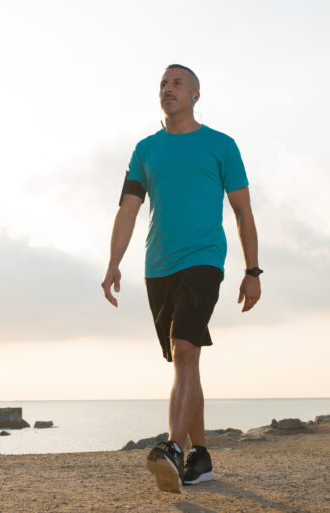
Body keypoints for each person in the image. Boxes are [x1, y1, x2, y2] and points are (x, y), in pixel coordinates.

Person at [101, 64, 262, 494]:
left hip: (204, 260)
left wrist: (252, 270)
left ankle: (173, 448)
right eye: (163, 84)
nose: (167, 89)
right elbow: (129, 209)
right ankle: (201, 455)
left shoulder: (221, 146)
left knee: (184, 347)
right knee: (185, 361)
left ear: (195, 95)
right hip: (158, 267)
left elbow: (243, 211)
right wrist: (114, 262)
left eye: (176, 83)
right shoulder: (144, 150)